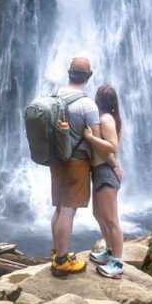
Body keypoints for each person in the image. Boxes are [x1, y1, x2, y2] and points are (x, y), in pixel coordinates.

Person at [49, 56, 100, 276]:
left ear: (69, 73)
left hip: (56, 160)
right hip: (77, 162)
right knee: (69, 210)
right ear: (88, 76)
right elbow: (96, 139)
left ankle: (56, 252)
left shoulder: (54, 96)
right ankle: (62, 261)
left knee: (59, 207)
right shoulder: (87, 104)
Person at [85, 84, 124, 279]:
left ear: (98, 100)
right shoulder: (104, 118)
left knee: (111, 220)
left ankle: (117, 263)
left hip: (105, 173)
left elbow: (112, 147)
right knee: (99, 215)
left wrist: (91, 139)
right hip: (100, 171)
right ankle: (109, 252)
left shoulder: (106, 119)